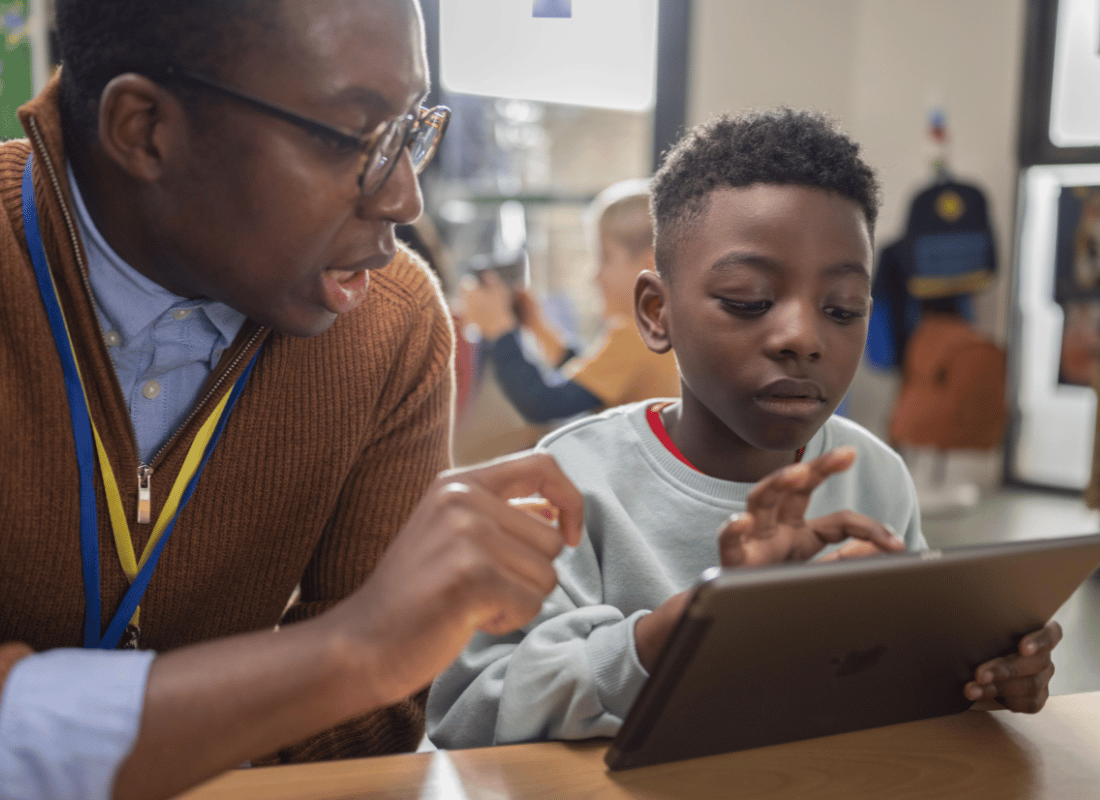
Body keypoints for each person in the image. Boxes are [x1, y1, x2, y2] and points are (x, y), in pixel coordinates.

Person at [0, 2, 584, 799]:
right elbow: (355, 673)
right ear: (144, 131)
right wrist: (345, 655)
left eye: (410, 129)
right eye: (353, 137)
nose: (404, 198)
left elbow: (375, 720)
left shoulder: (392, 322)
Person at [426, 108, 1061, 748]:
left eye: (842, 309)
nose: (802, 338)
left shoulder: (873, 476)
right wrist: (684, 630)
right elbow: (467, 722)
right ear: (656, 312)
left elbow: (894, 674)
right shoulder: (569, 486)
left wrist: (975, 678)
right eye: (749, 300)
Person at [460, 179, 681, 425]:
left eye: (605, 258)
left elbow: (544, 402)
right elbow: (584, 384)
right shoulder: (663, 331)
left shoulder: (636, 336)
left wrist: (499, 330)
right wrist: (537, 327)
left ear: (651, 265)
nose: (595, 275)